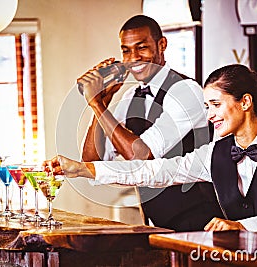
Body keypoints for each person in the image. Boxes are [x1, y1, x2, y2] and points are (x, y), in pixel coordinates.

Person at [46, 64, 257, 232]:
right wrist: (82, 169)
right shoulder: (214, 152)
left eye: (215, 105)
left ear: (245, 102)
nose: (210, 115)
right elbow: (152, 171)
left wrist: (241, 226)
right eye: (206, 106)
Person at [77, 14, 223, 232]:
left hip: (204, 222)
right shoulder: (128, 98)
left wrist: (97, 105)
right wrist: (99, 105)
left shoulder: (186, 91)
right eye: (126, 50)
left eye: (141, 47)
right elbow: (91, 162)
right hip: (159, 225)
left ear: (161, 45)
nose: (133, 57)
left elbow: (142, 155)